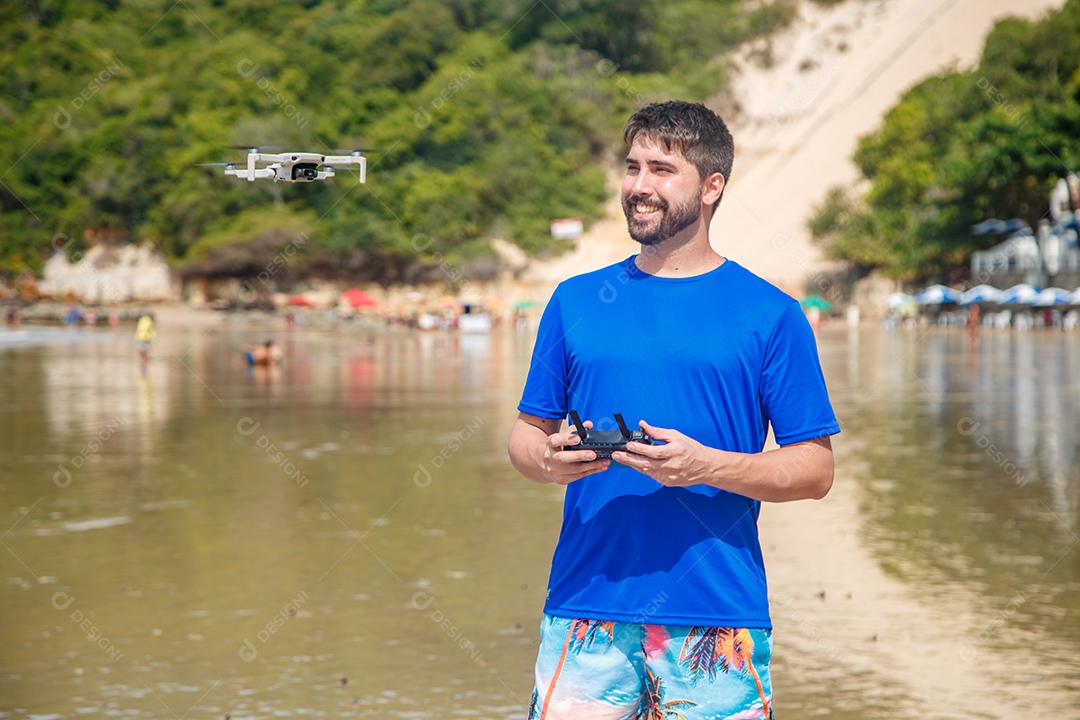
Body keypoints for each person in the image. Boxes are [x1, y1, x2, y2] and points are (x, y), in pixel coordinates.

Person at [508, 101, 840, 720]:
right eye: (632, 167)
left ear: (712, 187)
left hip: (716, 617)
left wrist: (705, 466)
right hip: (584, 607)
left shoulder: (771, 314)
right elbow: (525, 438)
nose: (639, 186)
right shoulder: (573, 300)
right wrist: (549, 461)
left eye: (662, 169)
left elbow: (815, 472)